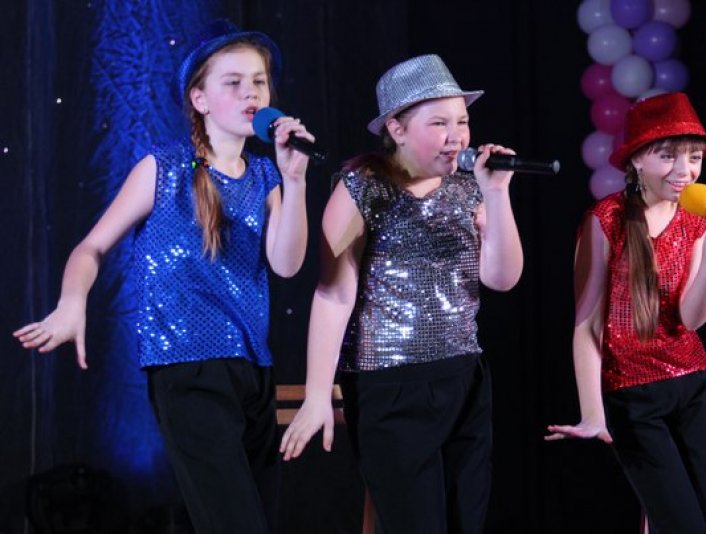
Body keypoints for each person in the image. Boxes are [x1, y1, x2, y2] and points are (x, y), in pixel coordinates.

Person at [13, 19, 313, 534]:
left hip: (253, 369)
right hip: (188, 367)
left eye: (259, 82)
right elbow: (90, 247)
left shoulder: (267, 176)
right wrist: (71, 302)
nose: (251, 93)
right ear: (199, 99)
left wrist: (295, 180)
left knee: (261, 518)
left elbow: (287, 264)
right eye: (233, 82)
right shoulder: (163, 168)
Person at [279, 54, 524, 533]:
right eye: (439, 123)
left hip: (464, 376)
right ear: (397, 128)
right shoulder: (363, 187)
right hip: (390, 386)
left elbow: (502, 278)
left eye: (462, 121)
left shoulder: (470, 189)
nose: (456, 136)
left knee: (464, 520)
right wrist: (316, 395)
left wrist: (497, 194)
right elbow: (333, 295)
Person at [546, 92, 706, 534]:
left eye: (694, 158)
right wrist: (592, 413)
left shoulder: (696, 221)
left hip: (692, 386)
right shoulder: (606, 220)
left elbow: (690, 320)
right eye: (668, 156)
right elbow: (587, 326)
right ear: (637, 159)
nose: (685, 171)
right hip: (634, 396)